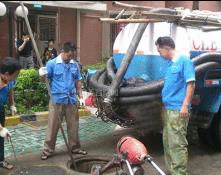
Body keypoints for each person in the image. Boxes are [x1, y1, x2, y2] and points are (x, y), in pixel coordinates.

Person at [39, 42, 87, 160]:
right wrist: (41, 75)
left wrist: (81, 97)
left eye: (72, 56)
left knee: (73, 126)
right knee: (53, 126)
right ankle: (47, 151)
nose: (70, 58)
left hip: (71, 99)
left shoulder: (74, 65)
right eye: (68, 55)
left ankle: (75, 148)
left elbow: (78, 81)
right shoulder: (52, 64)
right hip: (57, 100)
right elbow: (45, 80)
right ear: (62, 52)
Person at [155, 37, 195, 175]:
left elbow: (191, 84)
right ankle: (172, 171)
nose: (159, 54)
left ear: (166, 48)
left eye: (159, 50)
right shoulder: (170, 64)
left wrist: (185, 105)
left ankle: (179, 173)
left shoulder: (184, 61)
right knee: (168, 143)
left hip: (177, 110)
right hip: (167, 109)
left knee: (177, 144)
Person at [0, 57, 21, 170]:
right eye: (15, 75)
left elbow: (10, 90)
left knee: (1, 139)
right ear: (7, 74)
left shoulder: (8, 81)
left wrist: (12, 104)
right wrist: (0, 128)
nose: (16, 77)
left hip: (0, 110)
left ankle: (1, 160)